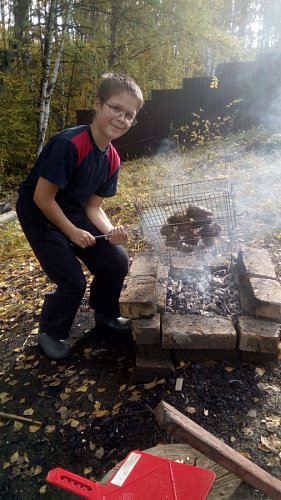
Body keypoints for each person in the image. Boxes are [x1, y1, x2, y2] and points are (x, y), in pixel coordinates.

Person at [16, 73, 144, 360]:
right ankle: (50, 331)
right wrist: (72, 232)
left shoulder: (112, 159)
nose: (121, 119)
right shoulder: (69, 144)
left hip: (73, 208)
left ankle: (106, 313)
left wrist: (111, 232)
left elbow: (93, 207)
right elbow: (42, 198)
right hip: (39, 213)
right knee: (73, 280)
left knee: (117, 258)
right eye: (115, 108)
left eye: (129, 115)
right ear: (98, 105)